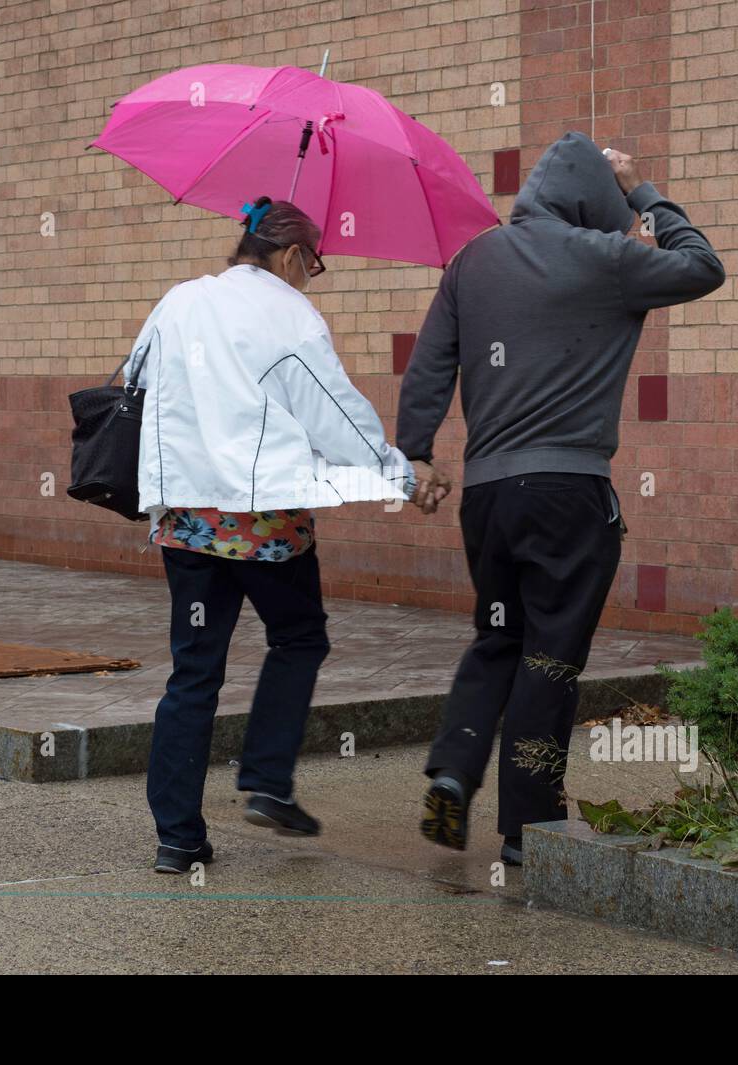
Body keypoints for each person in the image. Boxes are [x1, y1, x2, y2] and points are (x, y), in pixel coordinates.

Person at [397, 133, 725, 865]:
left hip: (487, 496)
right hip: (569, 494)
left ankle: (453, 766)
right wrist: (643, 192)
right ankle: (528, 827)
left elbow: (428, 367)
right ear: (593, 206)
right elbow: (704, 266)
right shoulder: (607, 259)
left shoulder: (471, 261)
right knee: (549, 658)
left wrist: (416, 451)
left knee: (497, 636)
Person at [126, 196, 439, 873]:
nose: (311, 278)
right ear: (293, 256)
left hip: (186, 522)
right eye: (314, 264)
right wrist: (402, 477)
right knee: (299, 636)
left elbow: (133, 384)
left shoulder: (177, 302)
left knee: (193, 673)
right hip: (265, 523)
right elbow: (336, 419)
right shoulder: (291, 314)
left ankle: (177, 837)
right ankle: (267, 779)